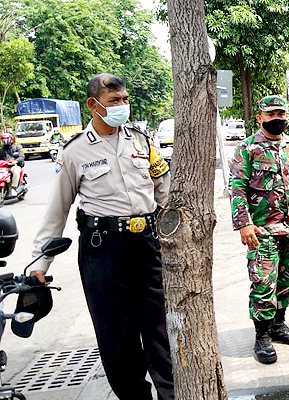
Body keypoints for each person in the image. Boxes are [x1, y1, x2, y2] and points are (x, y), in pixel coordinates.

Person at [29, 73, 174, 400]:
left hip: (147, 245)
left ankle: (171, 395)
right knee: (116, 337)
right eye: (114, 101)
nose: (122, 106)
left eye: (124, 99)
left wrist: (174, 232)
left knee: (160, 331)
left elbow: (163, 189)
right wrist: (41, 261)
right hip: (103, 250)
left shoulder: (141, 141)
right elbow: (58, 208)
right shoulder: (75, 151)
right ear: (93, 105)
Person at [229, 94, 289, 365]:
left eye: (281, 114)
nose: (277, 119)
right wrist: (244, 223)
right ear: (259, 117)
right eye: (271, 115)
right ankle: (262, 335)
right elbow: (237, 188)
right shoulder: (247, 149)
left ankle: (278, 325)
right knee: (263, 282)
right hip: (262, 230)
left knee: (287, 279)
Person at [0, 133, 25, 198]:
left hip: (14, 166)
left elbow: (21, 157)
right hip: (4, 167)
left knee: (16, 172)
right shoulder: (2, 150)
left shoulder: (17, 147)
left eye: (6, 139)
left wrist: (15, 161)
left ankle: (13, 188)